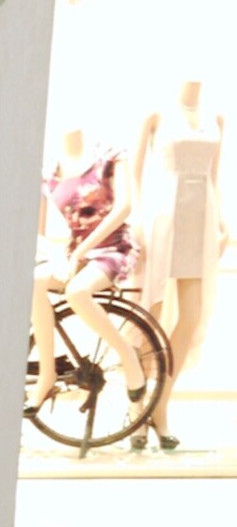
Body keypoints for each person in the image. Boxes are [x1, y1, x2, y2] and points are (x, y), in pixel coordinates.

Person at [25, 128, 145, 421]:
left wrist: (81, 251)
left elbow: (125, 207)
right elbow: (37, 232)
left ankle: (127, 356)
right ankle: (47, 376)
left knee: (77, 292)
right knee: (34, 283)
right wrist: (59, 256)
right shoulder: (49, 170)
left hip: (114, 248)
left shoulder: (110, 155)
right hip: (77, 254)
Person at [133, 78, 227, 450]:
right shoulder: (156, 113)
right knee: (149, 313)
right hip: (163, 214)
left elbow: (214, 178)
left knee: (191, 315)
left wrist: (222, 224)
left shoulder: (217, 118)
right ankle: (137, 408)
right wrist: (135, 220)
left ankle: (161, 404)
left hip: (201, 217)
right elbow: (134, 176)